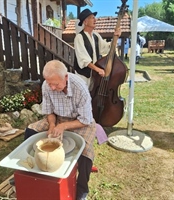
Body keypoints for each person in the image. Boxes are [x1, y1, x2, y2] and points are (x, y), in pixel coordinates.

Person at [24, 60, 96, 200]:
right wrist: (52, 125)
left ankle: (82, 190)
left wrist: (62, 126)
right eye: (49, 83)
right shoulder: (47, 85)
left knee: (86, 151)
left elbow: (86, 119)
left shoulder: (80, 87)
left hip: (79, 122)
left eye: (55, 84)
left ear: (66, 78)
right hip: (57, 118)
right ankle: (30, 172)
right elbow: (49, 111)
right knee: (30, 130)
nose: (51, 87)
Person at [74, 8, 121, 90]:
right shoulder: (79, 37)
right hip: (83, 76)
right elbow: (83, 59)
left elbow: (106, 48)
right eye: (92, 18)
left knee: (93, 97)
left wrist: (116, 37)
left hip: (94, 75)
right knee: (84, 98)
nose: (95, 20)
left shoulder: (96, 36)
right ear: (85, 22)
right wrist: (97, 69)